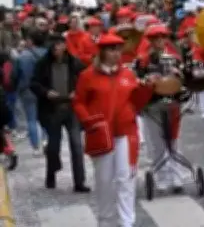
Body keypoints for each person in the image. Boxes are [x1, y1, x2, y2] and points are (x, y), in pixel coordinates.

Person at [72, 33, 156, 227]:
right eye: (111, 50)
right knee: (104, 182)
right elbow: (78, 102)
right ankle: (106, 221)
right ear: (101, 52)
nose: (116, 53)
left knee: (126, 179)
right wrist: (89, 121)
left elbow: (136, 103)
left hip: (126, 134)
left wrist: (147, 90)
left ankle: (128, 222)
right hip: (101, 134)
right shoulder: (87, 76)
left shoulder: (127, 74)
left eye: (118, 49)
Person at [31, 34, 88, 191]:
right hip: (52, 109)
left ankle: (79, 182)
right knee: (53, 146)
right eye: (55, 45)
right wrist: (46, 92)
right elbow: (34, 83)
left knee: (77, 145)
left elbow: (86, 78)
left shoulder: (74, 62)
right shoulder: (43, 64)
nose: (58, 48)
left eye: (61, 45)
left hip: (71, 108)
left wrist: (77, 92)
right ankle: (51, 174)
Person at [133, 24, 184, 192]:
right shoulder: (142, 61)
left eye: (162, 37)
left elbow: (184, 79)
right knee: (156, 143)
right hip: (152, 104)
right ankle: (162, 178)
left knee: (174, 141)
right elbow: (137, 81)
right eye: (155, 38)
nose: (159, 41)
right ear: (150, 41)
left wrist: (180, 75)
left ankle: (177, 177)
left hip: (173, 104)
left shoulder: (175, 58)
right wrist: (147, 81)